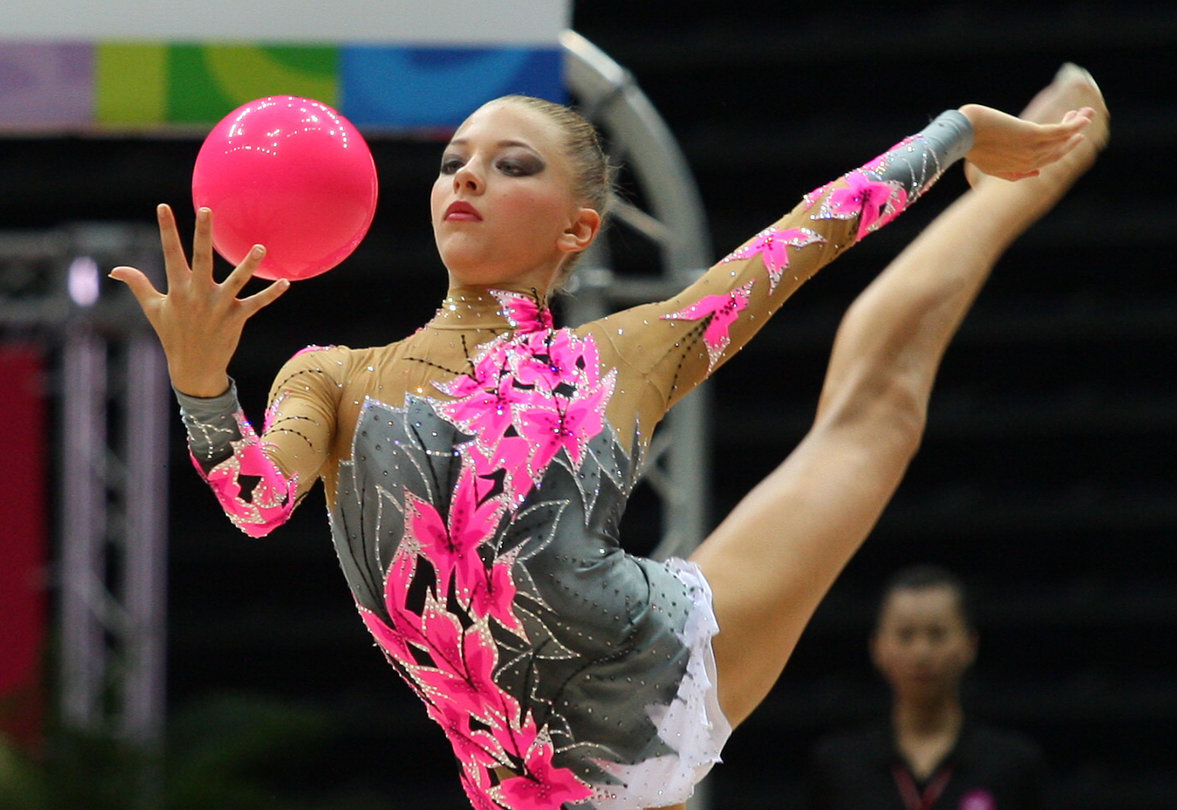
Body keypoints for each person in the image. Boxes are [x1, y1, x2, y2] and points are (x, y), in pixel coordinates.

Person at [111, 61, 1106, 810]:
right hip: (513, 778)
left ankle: (1018, 193)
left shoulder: (624, 355)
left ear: (577, 229)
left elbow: (809, 234)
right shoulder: (329, 377)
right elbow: (256, 502)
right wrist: (205, 388)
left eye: (510, 166)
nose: (467, 179)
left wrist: (958, 129)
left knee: (872, 416)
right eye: (455, 162)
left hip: (661, 676)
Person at [803, 565, 1047, 809]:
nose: (922, 653)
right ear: (877, 646)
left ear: (970, 644)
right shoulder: (840, 764)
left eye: (937, 634)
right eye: (905, 635)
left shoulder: (1011, 764)